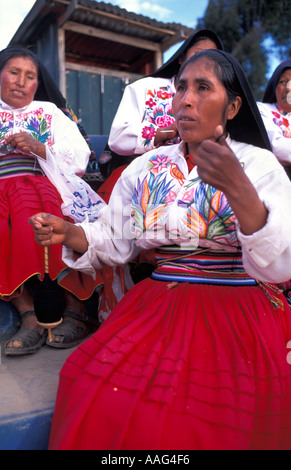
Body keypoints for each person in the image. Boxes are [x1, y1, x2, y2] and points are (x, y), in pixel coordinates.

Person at [30, 50, 291, 450]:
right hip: (159, 299)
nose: (185, 99)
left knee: (202, 414)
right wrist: (69, 232)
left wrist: (238, 188)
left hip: (237, 302)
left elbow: (277, 261)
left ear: (234, 105)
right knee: (86, 378)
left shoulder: (259, 165)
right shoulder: (144, 168)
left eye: (203, 88)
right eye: (181, 87)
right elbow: (113, 240)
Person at [0, 46, 104, 356]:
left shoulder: (48, 112)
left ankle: (76, 308)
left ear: (37, 83)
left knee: (44, 216)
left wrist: (38, 146)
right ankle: (28, 314)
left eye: (30, 76)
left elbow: (78, 159)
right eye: (14, 72)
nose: (21, 81)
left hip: (42, 181)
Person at [98, 29, 224, 203]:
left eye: (213, 60)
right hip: (141, 175)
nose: (204, 64)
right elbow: (118, 138)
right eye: (198, 55)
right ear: (180, 58)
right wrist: (165, 132)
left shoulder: (216, 98)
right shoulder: (145, 88)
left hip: (194, 177)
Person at [257, 59, 291, 171]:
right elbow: (276, 146)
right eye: (282, 82)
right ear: (274, 87)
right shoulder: (262, 110)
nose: (288, 88)